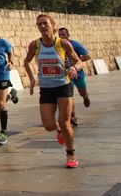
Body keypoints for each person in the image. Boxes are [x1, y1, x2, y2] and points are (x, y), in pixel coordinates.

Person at [23, 14, 83, 169]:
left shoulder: (62, 43)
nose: (42, 27)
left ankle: (70, 154)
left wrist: (74, 68)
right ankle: (59, 131)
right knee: (48, 125)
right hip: (46, 88)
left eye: (45, 24)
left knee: (65, 122)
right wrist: (31, 79)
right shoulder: (34, 45)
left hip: (63, 86)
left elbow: (79, 61)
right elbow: (26, 61)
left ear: (53, 26)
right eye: (39, 24)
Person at [57, 27, 91, 127]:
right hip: (66, 75)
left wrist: (76, 61)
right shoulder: (58, 45)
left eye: (63, 34)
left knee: (82, 92)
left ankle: (85, 97)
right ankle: (72, 115)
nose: (61, 36)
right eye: (60, 35)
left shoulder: (75, 44)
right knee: (69, 96)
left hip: (78, 74)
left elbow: (87, 56)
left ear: (68, 35)